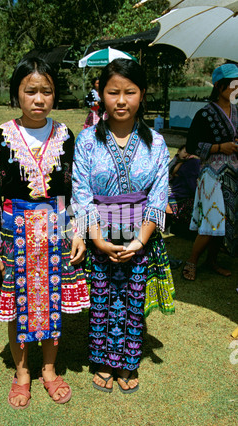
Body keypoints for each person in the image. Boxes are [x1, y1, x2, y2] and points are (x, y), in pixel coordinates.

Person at [0, 54, 90, 409]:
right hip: (14, 239)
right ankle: (23, 373)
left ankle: (50, 370)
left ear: (55, 95)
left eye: (47, 91)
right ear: (17, 95)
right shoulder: (1, 138)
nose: (39, 99)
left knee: (52, 304)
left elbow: (76, 190)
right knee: (17, 307)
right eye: (30, 91)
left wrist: (78, 231)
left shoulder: (66, 135)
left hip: (56, 236)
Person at [71, 58, 175, 394]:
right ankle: (102, 360)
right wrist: (98, 240)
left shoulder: (156, 143)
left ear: (142, 94)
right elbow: (81, 193)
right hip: (100, 233)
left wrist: (140, 242)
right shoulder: (87, 141)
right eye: (113, 91)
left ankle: (129, 363)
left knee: (132, 301)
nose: (121, 100)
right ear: (101, 93)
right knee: (101, 300)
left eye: (129, 92)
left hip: (139, 236)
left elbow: (158, 195)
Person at [182, 63, 238, 281]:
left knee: (227, 221)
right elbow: (192, 145)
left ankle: (211, 261)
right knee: (213, 218)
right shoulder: (204, 113)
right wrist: (219, 147)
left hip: (233, 172)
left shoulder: (237, 112)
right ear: (218, 85)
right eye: (233, 84)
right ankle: (192, 261)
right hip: (212, 174)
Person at [166, 145, 201, 229]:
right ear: (179, 151)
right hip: (176, 197)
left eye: (190, 153)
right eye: (185, 152)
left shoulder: (179, 162)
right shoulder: (191, 163)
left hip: (172, 196)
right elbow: (193, 188)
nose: (187, 155)